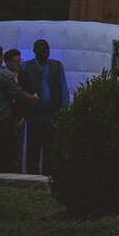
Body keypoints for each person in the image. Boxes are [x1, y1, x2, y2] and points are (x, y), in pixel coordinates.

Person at [0, 47, 36, 173]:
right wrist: (34, 98)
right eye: (16, 61)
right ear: (1, 59)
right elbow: (20, 95)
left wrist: (24, 116)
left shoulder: (23, 75)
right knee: (3, 155)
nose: (19, 63)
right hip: (3, 120)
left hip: (10, 119)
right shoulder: (3, 75)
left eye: (20, 60)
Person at [25, 40, 68, 174]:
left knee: (51, 147)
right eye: (42, 49)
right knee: (33, 148)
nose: (46, 52)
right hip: (35, 114)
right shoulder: (26, 66)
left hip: (51, 113)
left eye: (47, 49)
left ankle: (49, 176)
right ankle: (32, 177)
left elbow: (63, 87)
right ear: (35, 51)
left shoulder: (56, 66)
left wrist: (65, 108)